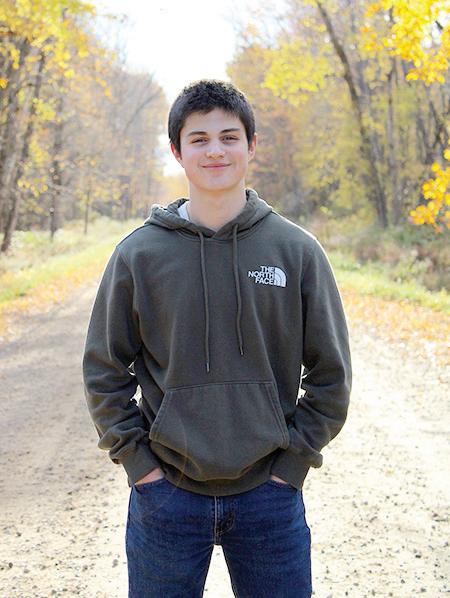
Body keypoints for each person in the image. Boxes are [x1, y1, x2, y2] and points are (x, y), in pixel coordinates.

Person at [82, 79, 352, 598]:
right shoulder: (139, 255)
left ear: (251, 146)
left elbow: (331, 374)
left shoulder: (296, 250)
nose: (215, 151)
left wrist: (293, 464)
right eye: (199, 139)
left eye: (229, 137)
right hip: (166, 496)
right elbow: (103, 369)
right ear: (176, 150)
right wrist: (139, 465)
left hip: (270, 496)